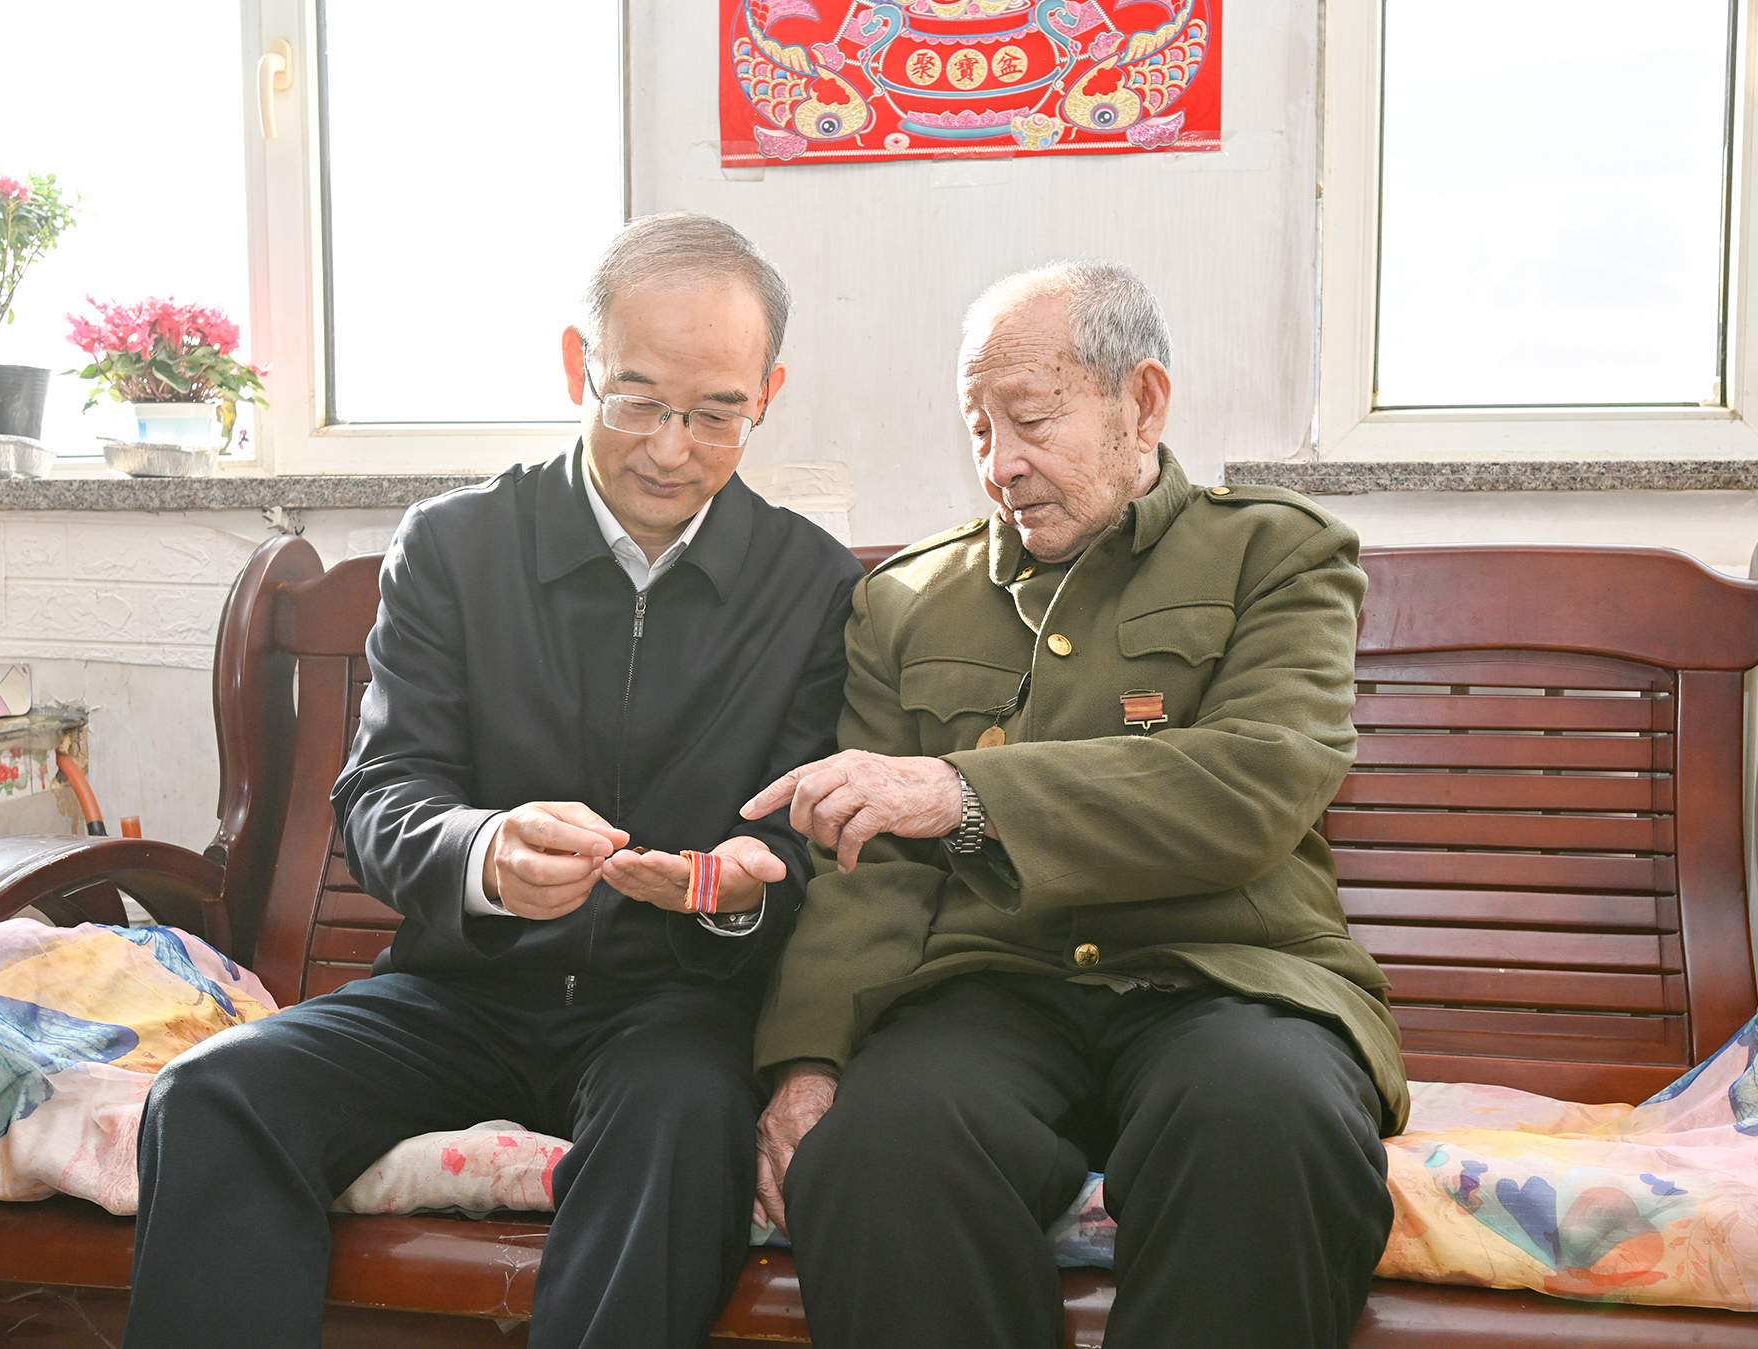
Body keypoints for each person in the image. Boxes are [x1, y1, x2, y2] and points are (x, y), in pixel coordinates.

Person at [122, 213, 865, 1349]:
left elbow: (804, 844)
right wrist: (484, 851)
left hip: (671, 1008)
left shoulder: (811, 585)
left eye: (716, 414)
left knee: (683, 1121)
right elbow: (382, 794)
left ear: (767, 393)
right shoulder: (454, 546)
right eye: (637, 400)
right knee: (214, 1095)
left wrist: (738, 888)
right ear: (577, 366)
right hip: (457, 993)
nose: (672, 448)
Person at [742, 260, 1407, 1349]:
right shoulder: (905, 601)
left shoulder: (1277, 555)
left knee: (1266, 1124)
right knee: (876, 1153)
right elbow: (872, 867)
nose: (1001, 463)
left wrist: (959, 789)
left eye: (1033, 419)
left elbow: (1255, 781)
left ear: (1142, 402)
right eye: (979, 429)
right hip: (992, 989)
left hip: (1230, 981)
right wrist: (807, 1062)